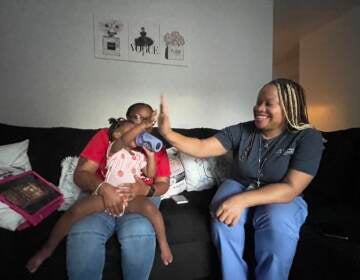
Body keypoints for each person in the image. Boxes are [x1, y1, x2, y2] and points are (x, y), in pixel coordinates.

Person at [157, 79, 324, 280]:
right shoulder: (242, 130)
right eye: (258, 102)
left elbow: (291, 187)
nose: (259, 108)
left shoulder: (307, 137)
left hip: (280, 192)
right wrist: (167, 133)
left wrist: (241, 200)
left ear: (289, 107)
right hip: (241, 183)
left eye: (268, 103)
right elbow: (202, 147)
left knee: (278, 222)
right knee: (223, 215)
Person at [26, 118, 173, 273]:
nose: (137, 136)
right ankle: (48, 249)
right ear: (118, 135)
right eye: (133, 132)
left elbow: (150, 175)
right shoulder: (115, 148)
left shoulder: (139, 156)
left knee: (152, 211)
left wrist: (150, 156)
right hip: (107, 195)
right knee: (75, 211)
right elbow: (124, 139)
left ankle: (164, 245)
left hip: (130, 197)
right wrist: (143, 125)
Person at [66, 103, 171, 280]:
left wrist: (145, 190)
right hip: (100, 195)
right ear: (126, 119)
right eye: (138, 118)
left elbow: (163, 184)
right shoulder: (106, 137)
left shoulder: (154, 147)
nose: (143, 123)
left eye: (147, 121)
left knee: (139, 231)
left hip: (140, 199)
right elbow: (81, 175)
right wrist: (103, 188)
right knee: (84, 232)